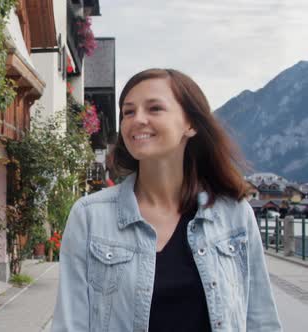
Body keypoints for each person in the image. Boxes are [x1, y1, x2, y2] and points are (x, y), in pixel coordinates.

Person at [51, 68, 281, 331]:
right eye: (128, 112)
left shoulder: (234, 214)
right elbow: (70, 324)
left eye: (154, 108)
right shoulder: (90, 217)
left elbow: (261, 320)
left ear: (191, 124)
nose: (137, 119)